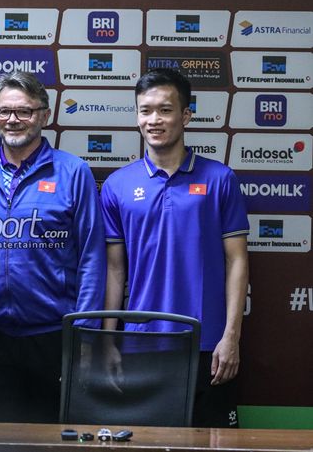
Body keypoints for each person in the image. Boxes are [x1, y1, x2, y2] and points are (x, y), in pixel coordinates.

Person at [0, 71, 106, 423]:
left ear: (44, 116)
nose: (13, 120)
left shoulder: (73, 172)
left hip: (54, 338)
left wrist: (84, 335)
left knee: (55, 445)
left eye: (24, 111)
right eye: (4, 111)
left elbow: (92, 259)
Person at [100, 68, 249, 427]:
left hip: (207, 344)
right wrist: (107, 341)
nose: (154, 120)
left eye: (165, 110)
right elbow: (115, 270)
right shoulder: (117, 185)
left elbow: (237, 261)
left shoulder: (220, 179)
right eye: (145, 110)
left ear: (185, 115)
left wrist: (230, 337)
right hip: (141, 342)